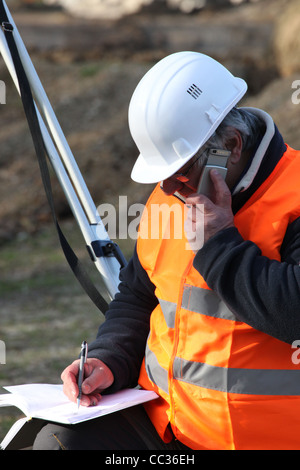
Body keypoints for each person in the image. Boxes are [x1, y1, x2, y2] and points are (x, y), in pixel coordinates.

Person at [33, 51, 300, 450]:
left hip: (261, 439)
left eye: (182, 172)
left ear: (232, 144)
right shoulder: (171, 196)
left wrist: (218, 246)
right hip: (164, 427)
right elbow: (138, 296)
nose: (171, 189)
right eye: (165, 177)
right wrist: (111, 358)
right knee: (57, 443)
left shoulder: (293, 195)